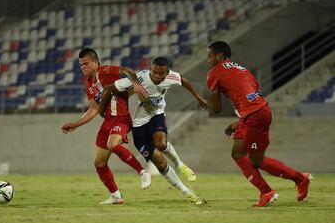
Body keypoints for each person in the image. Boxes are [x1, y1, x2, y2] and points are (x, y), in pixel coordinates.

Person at [206, 41, 313, 207]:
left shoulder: (214, 73)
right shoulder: (242, 69)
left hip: (255, 116)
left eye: (210, 56)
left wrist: (211, 95)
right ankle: (267, 192)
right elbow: (253, 92)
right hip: (256, 112)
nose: (208, 60)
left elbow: (217, 109)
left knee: (256, 161)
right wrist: (241, 119)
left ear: (219, 56)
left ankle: (298, 180)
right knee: (237, 153)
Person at [99, 57, 208, 204]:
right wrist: (101, 109)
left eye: (161, 74)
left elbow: (183, 81)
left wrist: (199, 98)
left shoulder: (171, 77)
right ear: (151, 69)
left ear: (167, 72)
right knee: (161, 164)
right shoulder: (138, 79)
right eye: (155, 72)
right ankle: (187, 192)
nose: (157, 76)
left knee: (161, 144)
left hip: (156, 115)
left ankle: (180, 164)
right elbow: (109, 88)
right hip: (138, 125)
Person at [61, 47, 151, 205]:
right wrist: (76, 124)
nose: (83, 67)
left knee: (112, 144)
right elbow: (94, 109)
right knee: (99, 163)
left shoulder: (106, 71)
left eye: (86, 64)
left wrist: (135, 85)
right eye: (81, 65)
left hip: (122, 118)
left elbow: (126, 70)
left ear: (95, 63)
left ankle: (143, 171)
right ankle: (116, 196)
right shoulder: (88, 83)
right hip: (108, 121)